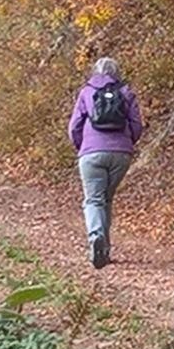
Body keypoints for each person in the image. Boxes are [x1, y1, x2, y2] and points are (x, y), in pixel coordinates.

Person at [68, 57, 143, 269]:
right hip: (121, 154)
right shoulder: (126, 92)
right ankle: (105, 249)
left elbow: (74, 126)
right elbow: (137, 124)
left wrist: (82, 146)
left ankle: (96, 237)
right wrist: (128, 142)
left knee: (94, 200)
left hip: (91, 153)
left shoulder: (87, 92)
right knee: (106, 199)